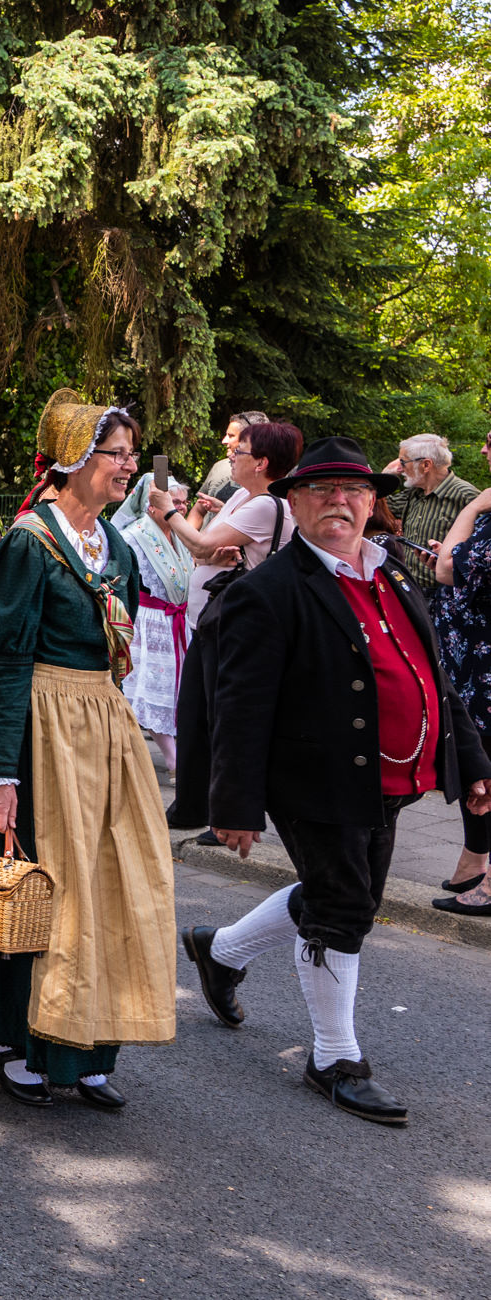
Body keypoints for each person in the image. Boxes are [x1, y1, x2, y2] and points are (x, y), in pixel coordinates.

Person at [186, 437, 491, 1124]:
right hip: (313, 777)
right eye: (320, 490)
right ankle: (334, 1058)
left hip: (392, 778)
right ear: (293, 503)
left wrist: (472, 761)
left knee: (346, 892)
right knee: (344, 905)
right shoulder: (268, 590)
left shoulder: (392, 573)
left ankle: (221, 950)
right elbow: (239, 707)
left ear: (373, 502)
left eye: (354, 490)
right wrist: (234, 804)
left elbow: (434, 677)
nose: (339, 501)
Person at [0, 389, 177, 1112]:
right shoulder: (29, 542)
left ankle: (86, 1044)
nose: (129, 467)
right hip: (33, 732)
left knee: (104, 884)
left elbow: (121, 644)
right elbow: (7, 662)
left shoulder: (116, 546)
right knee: (35, 886)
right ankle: (18, 1039)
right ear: (76, 459)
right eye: (117, 455)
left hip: (99, 730)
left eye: (131, 456)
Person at [150, 420, 303, 834]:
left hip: (236, 628)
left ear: (262, 463)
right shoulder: (240, 497)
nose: (231, 457)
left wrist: (168, 511)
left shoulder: (266, 504)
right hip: (209, 623)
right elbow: (200, 551)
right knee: (194, 717)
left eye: (240, 452)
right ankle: (192, 806)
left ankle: (225, 815)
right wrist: (205, 546)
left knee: (222, 722)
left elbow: (199, 544)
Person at [427, 475, 491, 914]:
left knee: (484, 767)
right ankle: (474, 864)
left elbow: (447, 570)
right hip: (473, 665)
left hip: (484, 670)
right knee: (478, 766)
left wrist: (473, 507)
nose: (485, 451)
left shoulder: (482, 508)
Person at [119, 473, 195, 777]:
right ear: (151, 506)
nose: (181, 508)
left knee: (178, 690)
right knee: (152, 689)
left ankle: (179, 753)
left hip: (177, 620)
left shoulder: (178, 534)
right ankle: (173, 759)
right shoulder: (134, 536)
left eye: (183, 502)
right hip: (150, 622)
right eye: (174, 502)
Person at [384, 433, 478, 592]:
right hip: (411, 591)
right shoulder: (413, 494)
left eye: (403, 462)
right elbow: (377, 506)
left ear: (426, 465)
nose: (400, 468)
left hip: (448, 595)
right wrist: (386, 475)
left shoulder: (467, 497)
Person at [195, 410, 268, 506]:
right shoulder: (219, 467)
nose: (224, 441)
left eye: (231, 436)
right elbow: (199, 509)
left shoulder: (268, 484)